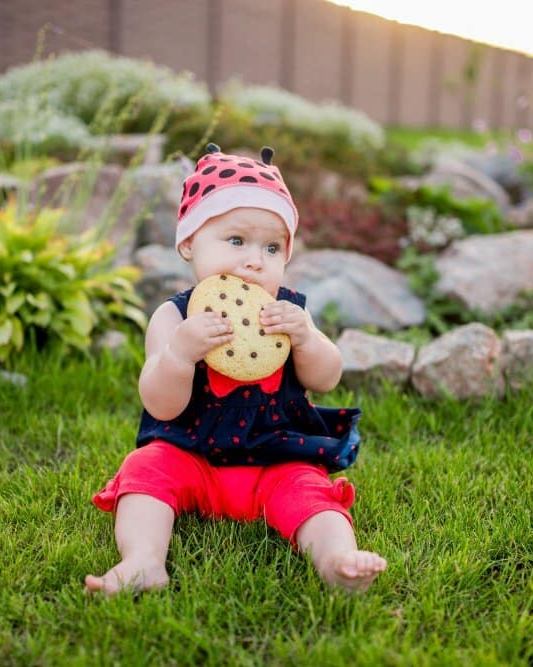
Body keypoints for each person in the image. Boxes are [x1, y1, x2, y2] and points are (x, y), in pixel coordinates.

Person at [85, 144, 386, 594]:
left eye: (271, 247)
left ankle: (336, 560)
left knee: (312, 491)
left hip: (275, 461)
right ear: (188, 243)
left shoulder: (289, 313)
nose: (254, 260)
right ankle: (144, 560)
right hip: (193, 457)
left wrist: (307, 338)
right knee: (145, 468)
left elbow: (326, 378)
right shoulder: (173, 318)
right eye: (236, 241)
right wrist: (179, 355)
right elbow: (161, 406)